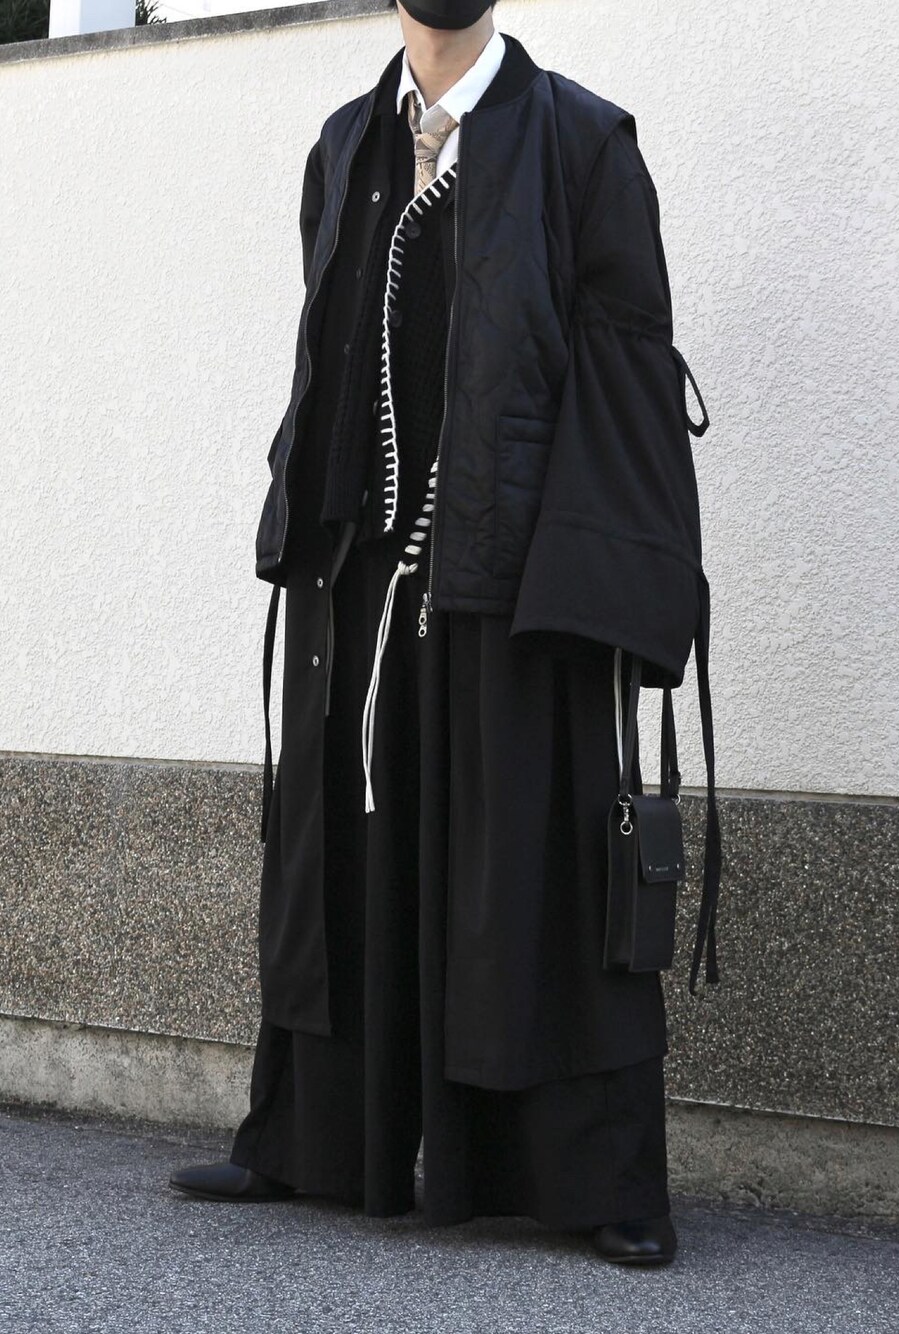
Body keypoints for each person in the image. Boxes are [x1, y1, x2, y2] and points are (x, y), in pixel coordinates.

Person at [170, 0, 719, 1267]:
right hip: (361, 575)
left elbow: (628, 373)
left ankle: (602, 1178)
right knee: (343, 855)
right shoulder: (345, 143)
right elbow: (326, 356)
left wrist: (599, 592)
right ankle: (311, 1139)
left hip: (517, 579)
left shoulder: (583, 142)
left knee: (536, 868)